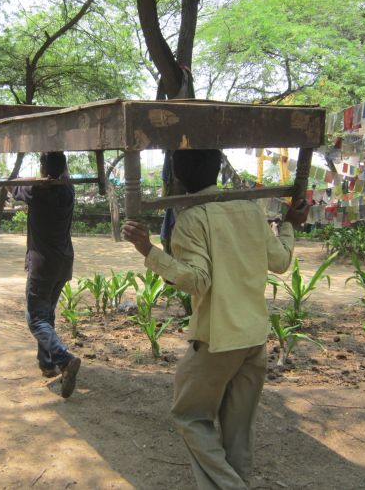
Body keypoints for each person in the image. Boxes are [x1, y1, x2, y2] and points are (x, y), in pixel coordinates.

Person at [123, 149, 309, 489]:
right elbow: (281, 261)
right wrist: (289, 225)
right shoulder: (250, 210)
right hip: (254, 338)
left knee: (190, 416)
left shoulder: (191, 218)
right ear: (217, 169)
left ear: (178, 177)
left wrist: (148, 251)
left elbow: (197, 281)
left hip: (217, 338)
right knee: (238, 430)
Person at [12, 152, 81, 398]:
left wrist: (32, 176)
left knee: (35, 319)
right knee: (47, 315)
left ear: (43, 169)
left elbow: (13, 186)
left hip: (43, 265)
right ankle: (47, 363)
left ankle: (64, 359)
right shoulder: (68, 189)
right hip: (63, 263)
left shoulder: (36, 191)